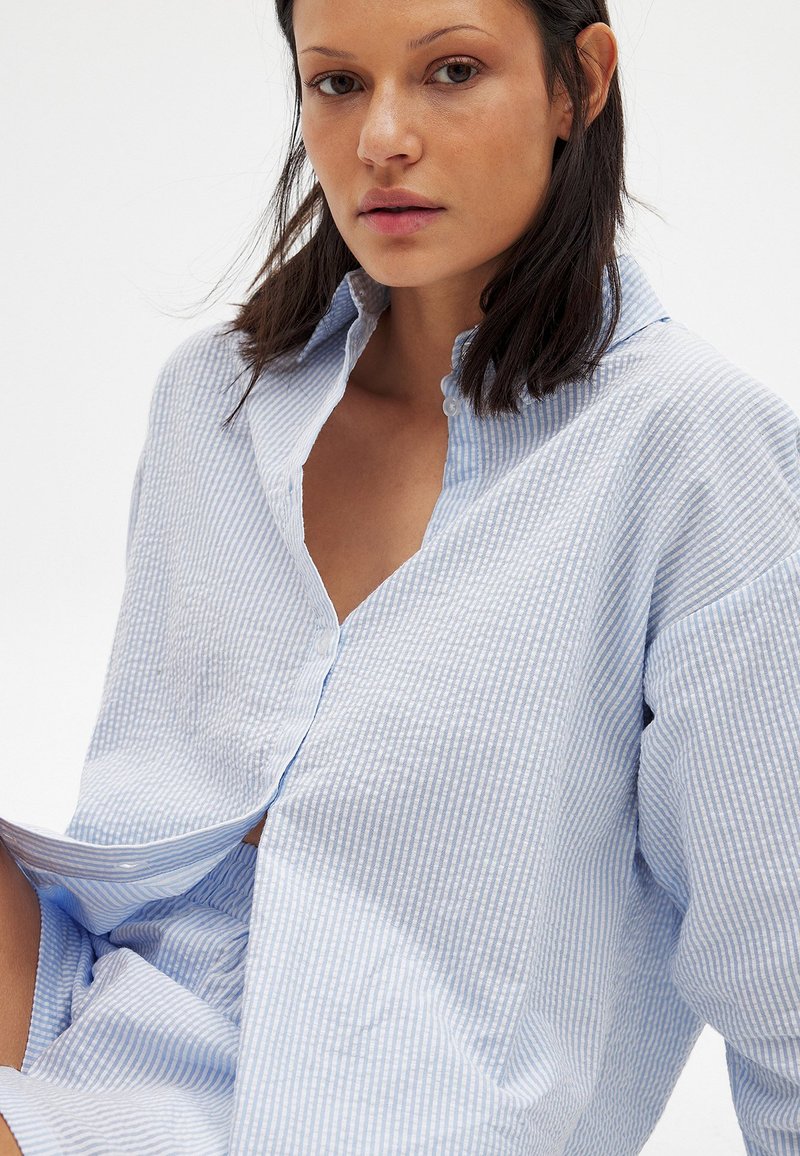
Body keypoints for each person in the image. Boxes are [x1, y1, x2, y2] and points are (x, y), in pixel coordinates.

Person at [2, 0, 799, 1152]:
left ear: (577, 82)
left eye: (451, 71)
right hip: (102, 1021)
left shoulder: (689, 450)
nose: (381, 138)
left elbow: (779, 959)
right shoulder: (213, 400)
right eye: (336, 83)